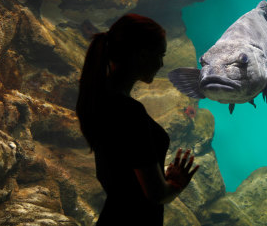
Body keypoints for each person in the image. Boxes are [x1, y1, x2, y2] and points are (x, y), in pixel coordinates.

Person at [76, 14, 199, 225]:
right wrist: (176, 183)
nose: (161, 63)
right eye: (160, 55)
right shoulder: (129, 111)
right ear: (142, 55)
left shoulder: (99, 97)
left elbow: (116, 173)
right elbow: (156, 194)